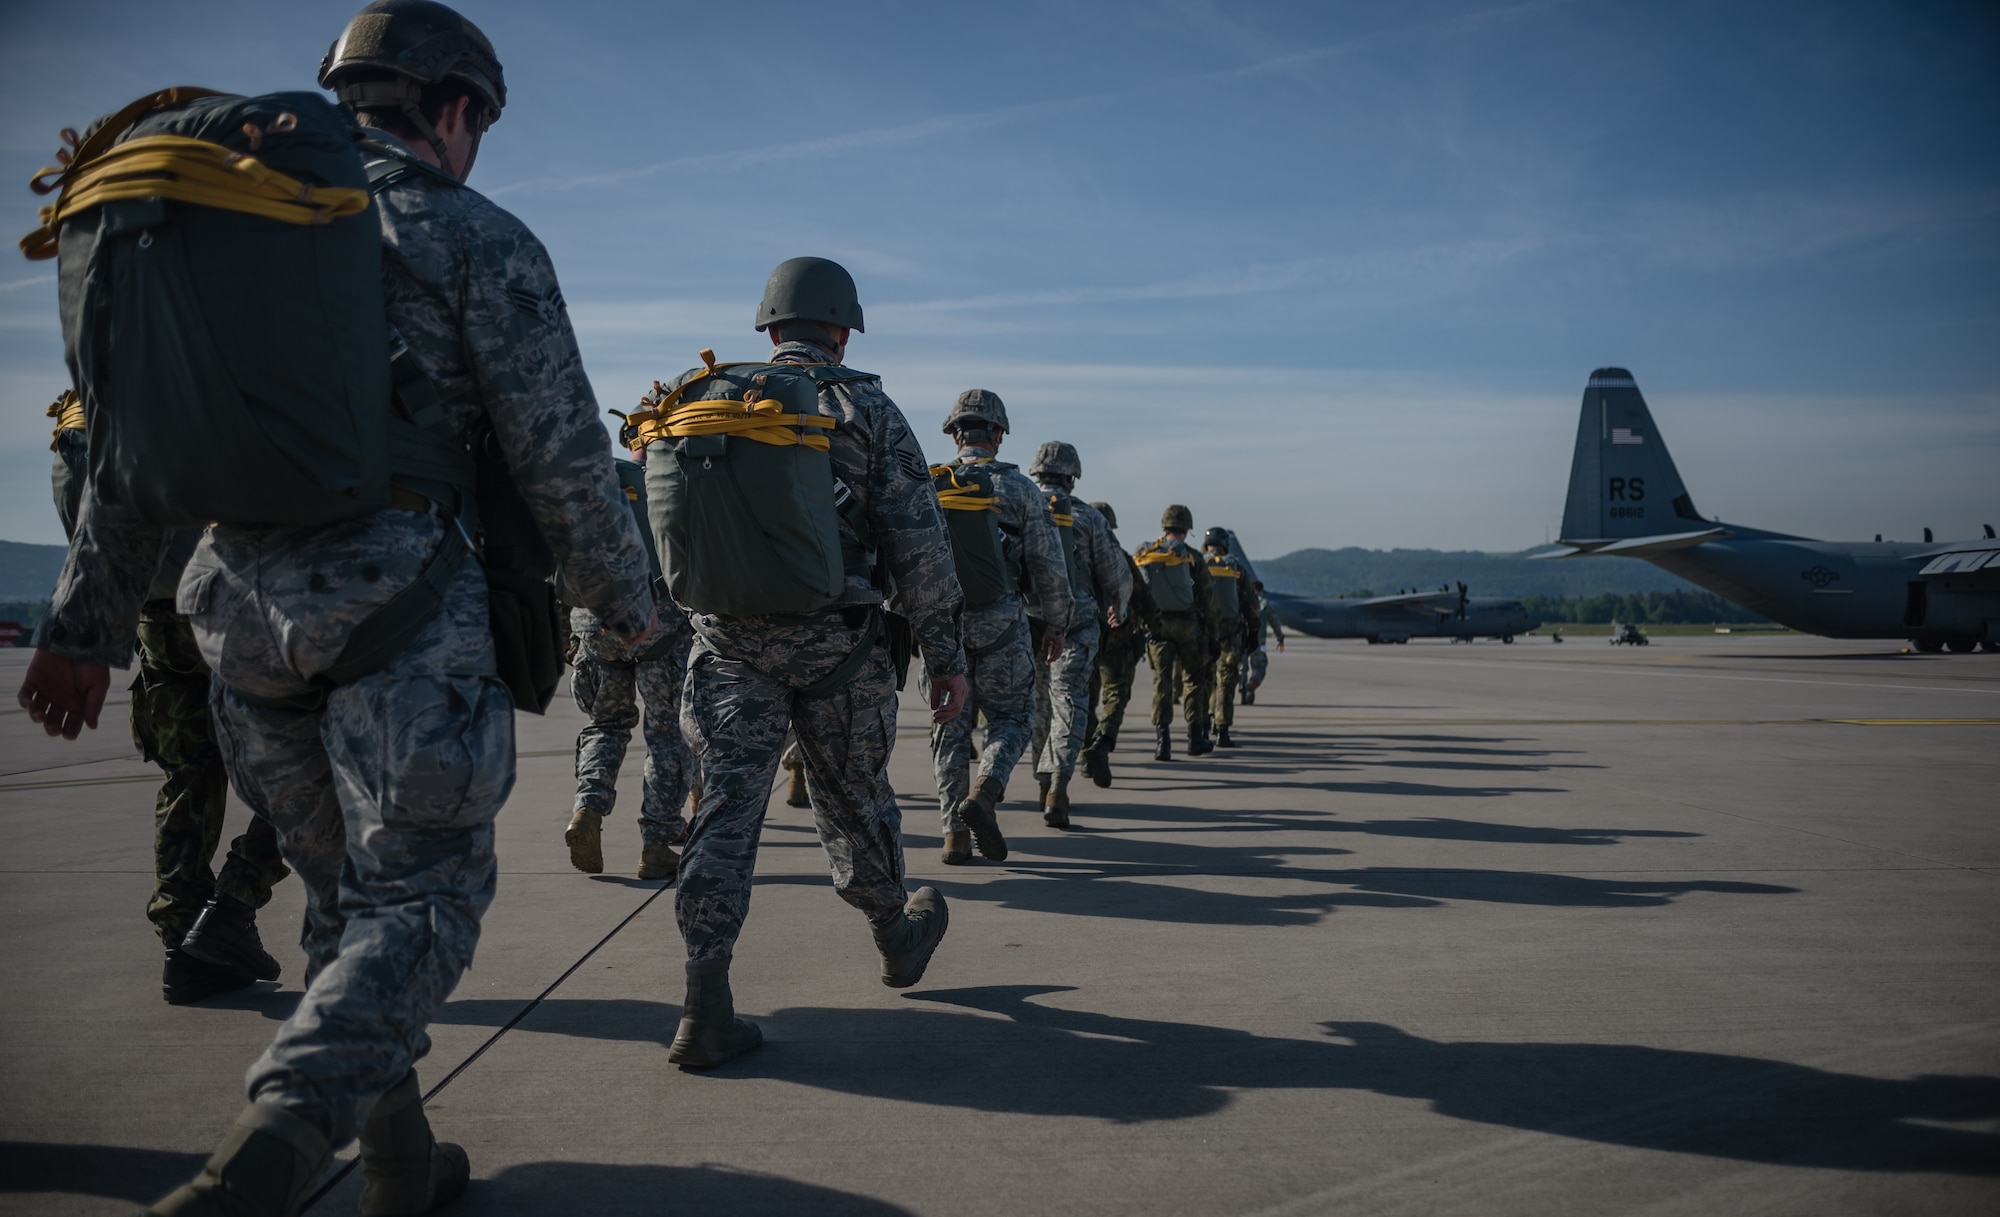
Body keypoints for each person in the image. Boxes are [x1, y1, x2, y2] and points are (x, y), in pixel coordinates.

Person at [20, 5, 658, 1211]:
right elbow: (563, 458)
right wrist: (631, 612)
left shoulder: (213, 223)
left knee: (345, 905)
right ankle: (271, 1144)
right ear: (455, 109)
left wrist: (82, 629)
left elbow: (128, 448)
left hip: (235, 618)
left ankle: (404, 1165)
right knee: (420, 902)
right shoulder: (470, 231)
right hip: (401, 611)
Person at [643, 256, 970, 1070]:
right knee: (856, 802)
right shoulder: (866, 406)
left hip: (725, 647)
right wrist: (945, 655)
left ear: (767, 325)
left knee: (722, 811)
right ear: (843, 325)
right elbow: (922, 548)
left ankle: (704, 1002)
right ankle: (896, 936)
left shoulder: (699, 397)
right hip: (840, 648)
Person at [48, 389, 292, 1005]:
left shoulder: (76, 420)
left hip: (154, 613)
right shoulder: (189, 375)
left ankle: (184, 943)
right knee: (319, 755)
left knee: (190, 772)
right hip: (231, 598)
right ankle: (232, 907)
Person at [927, 391, 1071, 859]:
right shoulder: (1020, 489)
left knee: (949, 724)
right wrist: (1055, 624)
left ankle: (953, 836)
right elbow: (1049, 566)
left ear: (954, 433)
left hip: (941, 625)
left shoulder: (928, 483)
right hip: (1002, 623)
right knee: (1010, 718)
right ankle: (985, 793)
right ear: (998, 435)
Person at [565, 449, 694, 881]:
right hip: (658, 623)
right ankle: (656, 843)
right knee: (665, 734)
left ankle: (587, 808)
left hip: (594, 622)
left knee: (606, 724)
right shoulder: (661, 484)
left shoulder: (585, 485)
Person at [1026, 442, 1129, 826]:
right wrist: (1120, 607)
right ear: (1073, 475)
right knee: (1069, 706)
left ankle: (1041, 784)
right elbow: (1115, 574)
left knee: (1039, 708)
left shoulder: (1023, 504)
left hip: (1030, 624)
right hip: (1077, 626)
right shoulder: (1088, 517)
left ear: (1037, 472)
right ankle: (1058, 787)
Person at [1134, 505, 1214, 760]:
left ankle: (1163, 743)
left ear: (1164, 527)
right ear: (1187, 529)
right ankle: (1194, 739)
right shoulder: (1192, 557)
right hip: (1188, 628)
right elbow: (1208, 599)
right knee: (1193, 681)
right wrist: (1212, 636)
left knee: (1162, 683)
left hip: (1157, 628)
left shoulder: (1149, 553)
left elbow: (1138, 592)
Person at [1083, 501, 1154, 784]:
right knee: (1115, 694)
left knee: (1083, 698)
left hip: (1086, 636)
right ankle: (1102, 742)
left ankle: (1083, 753)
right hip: (1119, 640)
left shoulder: (1077, 557)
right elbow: (1144, 598)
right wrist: (1155, 627)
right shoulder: (1121, 557)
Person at [1201, 527, 1260, 748]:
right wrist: (1254, 631)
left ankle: (1203, 726)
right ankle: (1222, 731)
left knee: (1206, 680)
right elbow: (1251, 603)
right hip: (1231, 634)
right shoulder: (1235, 567)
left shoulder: (1197, 563)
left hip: (1205, 633)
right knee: (1225, 682)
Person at [1242, 580, 1285, 704]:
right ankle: (1252, 683)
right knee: (1260, 667)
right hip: (1258, 642)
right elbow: (1275, 623)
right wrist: (1280, 639)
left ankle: (1238, 685)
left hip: (1240, 641)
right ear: (1261, 591)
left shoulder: (1241, 601)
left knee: (1237, 667)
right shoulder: (1264, 604)